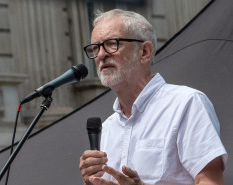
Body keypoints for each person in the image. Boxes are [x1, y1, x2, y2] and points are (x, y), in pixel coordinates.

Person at [79, 9, 227, 185]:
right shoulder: (107, 128)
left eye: (112, 44)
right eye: (95, 48)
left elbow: (211, 182)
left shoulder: (186, 103)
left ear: (144, 52)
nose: (101, 55)